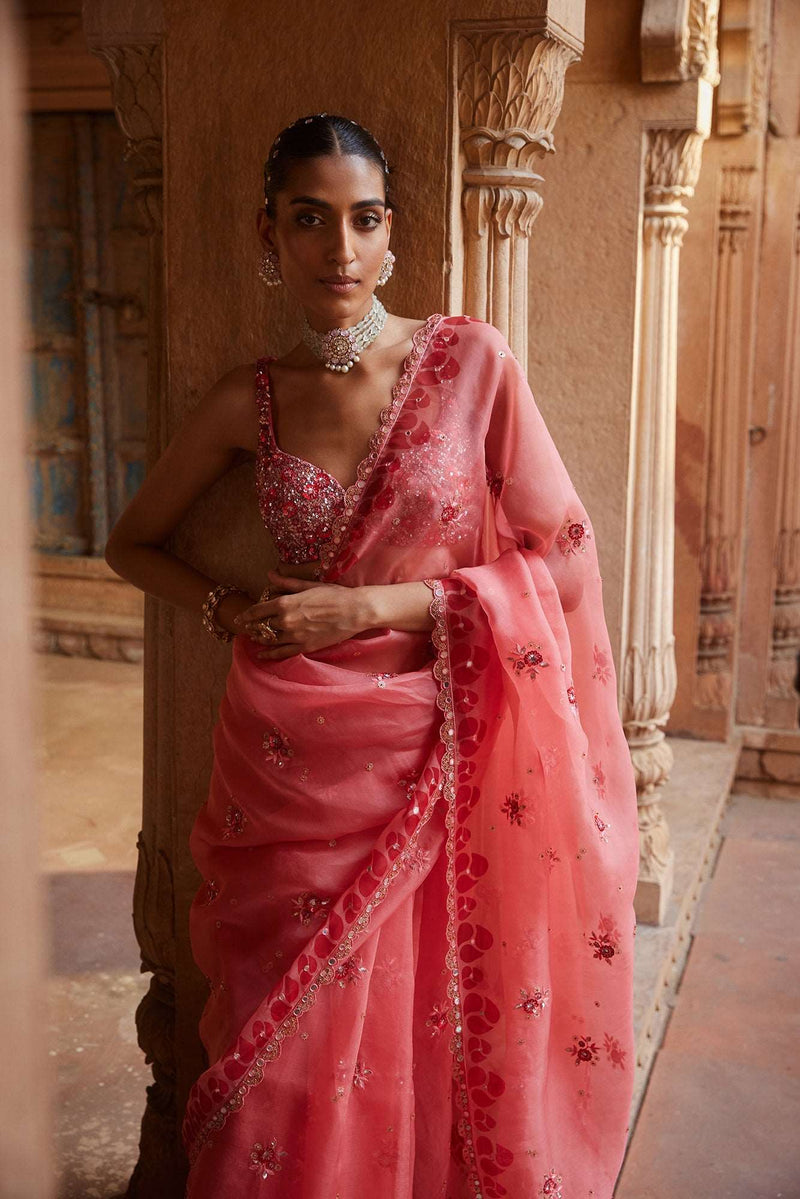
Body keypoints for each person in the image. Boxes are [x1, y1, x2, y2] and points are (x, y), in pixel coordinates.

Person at [105, 112, 640, 1199]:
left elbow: (565, 563)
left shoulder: (468, 362)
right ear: (269, 235)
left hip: (435, 745)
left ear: (392, 234)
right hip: (285, 758)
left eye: (362, 219)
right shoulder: (249, 400)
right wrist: (227, 603)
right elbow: (131, 543)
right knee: (275, 1045)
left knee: (429, 1004)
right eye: (309, 221)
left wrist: (366, 608)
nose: (338, 251)